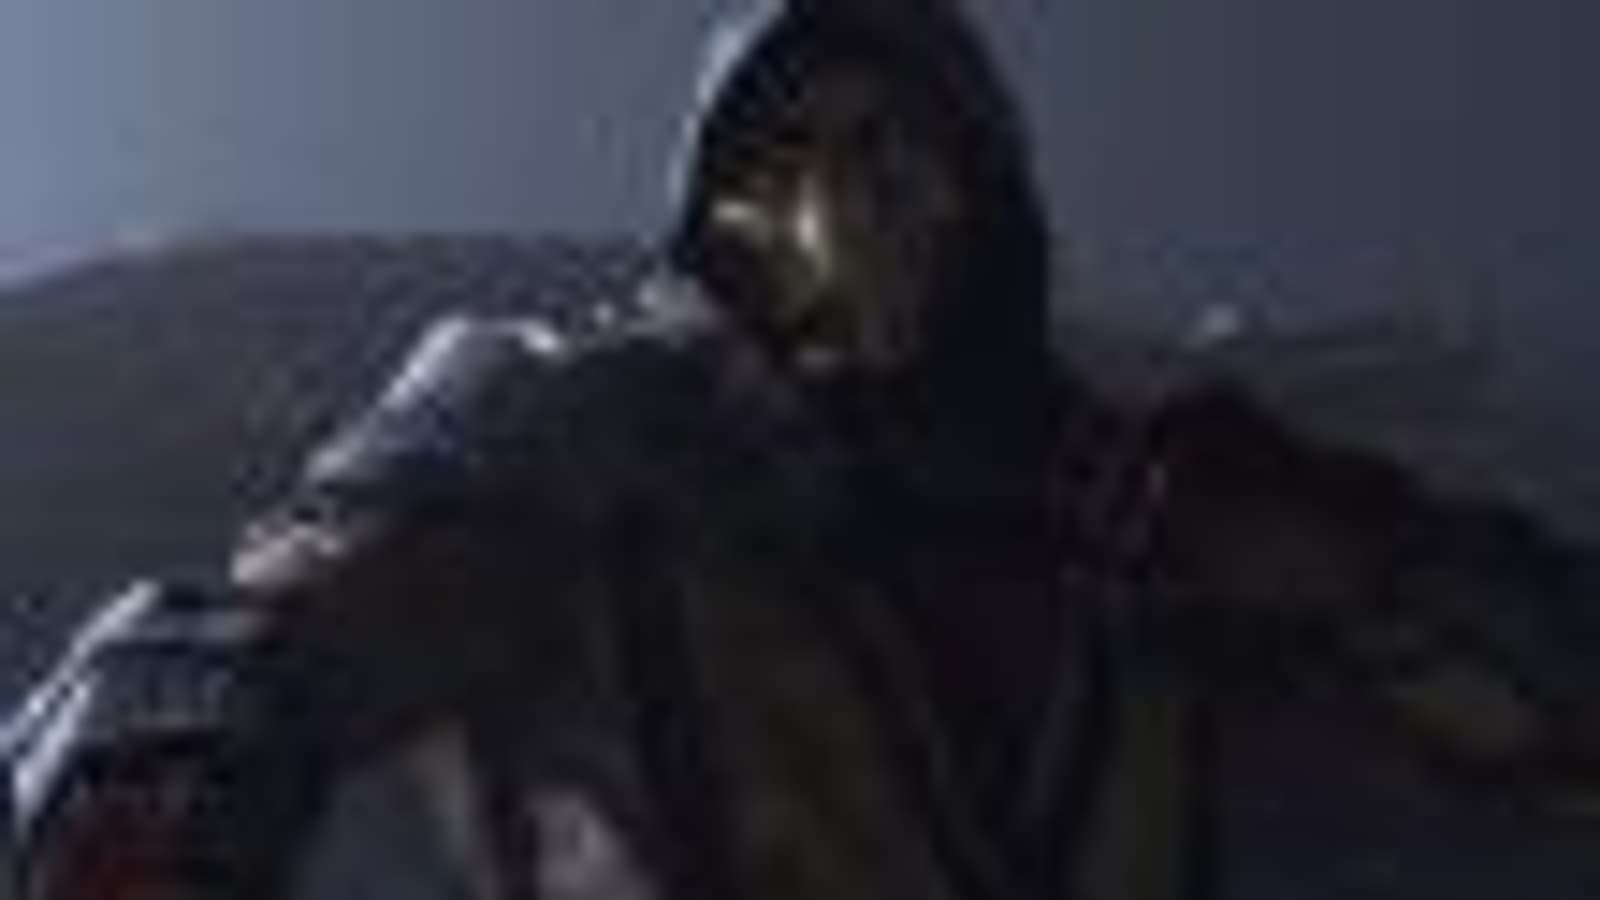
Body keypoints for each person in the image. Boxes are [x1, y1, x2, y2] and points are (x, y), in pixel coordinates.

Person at [6, 1, 1600, 898]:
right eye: (785, 153)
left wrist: (1360, 565)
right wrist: (183, 769)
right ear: (716, 216)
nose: (843, 201)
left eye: (891, 142)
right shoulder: (589, 439)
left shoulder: (1157, 550)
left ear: (984, 194)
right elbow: (229, 673)